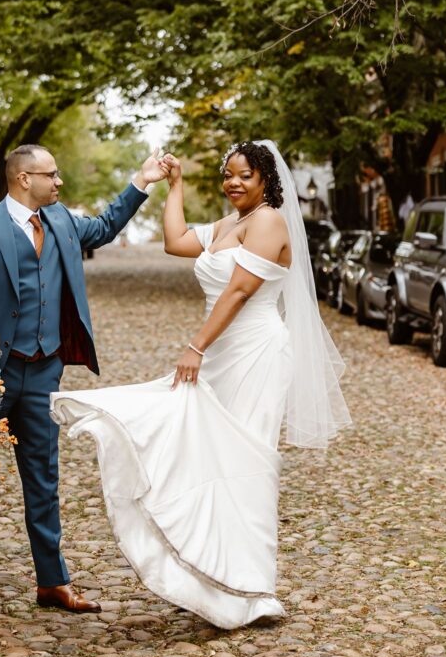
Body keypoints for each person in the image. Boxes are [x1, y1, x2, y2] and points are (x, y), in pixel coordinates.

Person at [52, 140, 352, 629]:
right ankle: (212, 575)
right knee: (204, 451)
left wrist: (196, 347)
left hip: (253, 352)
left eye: (244, 176)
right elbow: (175, 242)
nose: (234, 182)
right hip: (220, 352)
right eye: (227, 174)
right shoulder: (229, 224)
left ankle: (252, 590)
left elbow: (238, 290)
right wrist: (176, 186)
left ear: (267, 180)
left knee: (247, 460)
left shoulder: (269, 220)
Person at [0, 144, 169, 619]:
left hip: (45, 370)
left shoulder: (62, 221)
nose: (59, 182)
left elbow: (105, 227)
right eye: (52, 174)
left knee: (43, 480)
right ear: (25, 179)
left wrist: (142, 180)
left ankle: (52, 581)